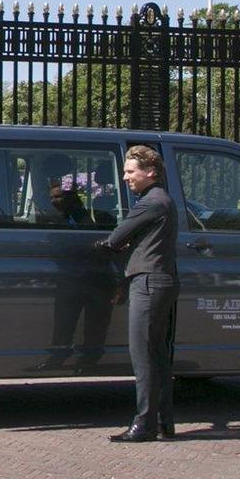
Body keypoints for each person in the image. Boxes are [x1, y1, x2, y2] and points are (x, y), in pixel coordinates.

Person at [98, 143, 178, 441]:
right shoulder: (162, 200)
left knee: (142, 354)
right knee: (157, 355)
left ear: (150, 172)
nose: (125, 177)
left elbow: (115, 237)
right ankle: (163, 422)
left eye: (130, 171)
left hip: (148, 283)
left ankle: (144, 424)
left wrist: (104, 246)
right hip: (160, 282)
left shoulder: (151, 202)